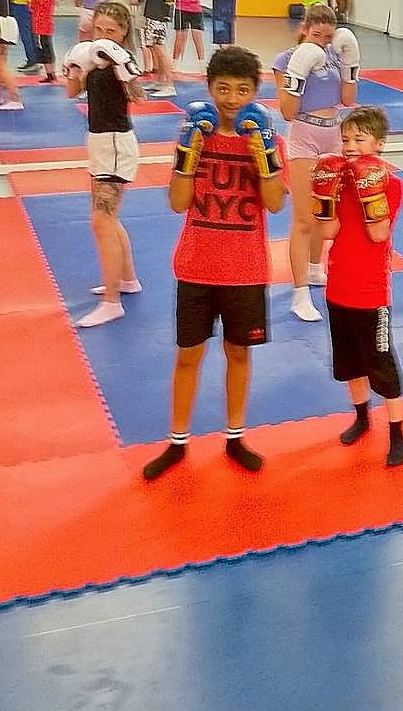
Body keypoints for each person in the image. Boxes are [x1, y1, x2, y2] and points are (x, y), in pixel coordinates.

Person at [141, 47, 286, 481]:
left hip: (245, 268)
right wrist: (188, 153)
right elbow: (177, 202)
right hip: (196, 265)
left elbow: (275, 204)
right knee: (188, 355)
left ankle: (235, 436)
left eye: (242, 90)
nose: (232, 99)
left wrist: (265, 155)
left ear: (255, 91)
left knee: (238, 353)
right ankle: (177, 441)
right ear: (209, 88)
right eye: (223, 89)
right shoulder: (194, 135)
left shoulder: (266, 137)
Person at [311, 106, 403, 466]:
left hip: (371, 293)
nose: (350, 145)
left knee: (381, 364)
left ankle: (397, 433)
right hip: (338, 287)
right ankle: (362, 418)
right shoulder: (336, 179)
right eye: (346, 139)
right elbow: (328, 231)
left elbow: (378, 233)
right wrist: (326, 194)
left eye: (360, 138)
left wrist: (369, 188)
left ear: (379, 143)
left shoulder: (392, 184)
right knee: (350, 363)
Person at [272, 3, 360, 322]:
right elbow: (287, 111)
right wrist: (299, 72)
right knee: (303, 219)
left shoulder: (336, 54)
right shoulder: (285, 59)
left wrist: (351, 65)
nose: (322, 41)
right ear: (304, 29)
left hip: (333, 133)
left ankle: (313, 268)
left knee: (326, 212)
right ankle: (299, 295)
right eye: (317, 35)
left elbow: (348, 100)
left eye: (328, 36)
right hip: (304, 134)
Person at [62, 0, 147, 327]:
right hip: (98, 142)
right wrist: (74, 66)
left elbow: (139, 97)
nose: (103, 36)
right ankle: (127, 280)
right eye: (98, 29)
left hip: (116, 145)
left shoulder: (123, 60)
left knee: (101, 221)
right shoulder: (91, 57)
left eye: (110, 31)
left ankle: (112, 302)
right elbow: (71, 92)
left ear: (123, 32)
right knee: (107, 220)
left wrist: (121, 63)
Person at [138, 0, 177, 97]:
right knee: (155, 47)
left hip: (157, 14)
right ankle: (160, 81)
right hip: (160, 12)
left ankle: (169, 85)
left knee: (159, 48)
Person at [28, 0, 57, 83]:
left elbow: (34, 7)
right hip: (47, 24)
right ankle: (51, 72)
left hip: (42, 25)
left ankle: (50, 74)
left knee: (45, 49)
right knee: (48, 48)